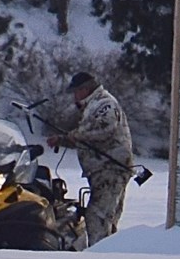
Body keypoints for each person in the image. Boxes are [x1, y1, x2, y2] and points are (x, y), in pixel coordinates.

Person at [46, 72, 133, 247]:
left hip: (109, 169)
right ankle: (108, 250)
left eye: (76, 91)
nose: (74, 96)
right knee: (107, 217)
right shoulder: (95, 105)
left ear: (85, 89)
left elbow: (104, 129)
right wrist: (66, 139)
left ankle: (99, 255)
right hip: (104, 170)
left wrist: (73, 136)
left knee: (97, 216)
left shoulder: (104, 104)